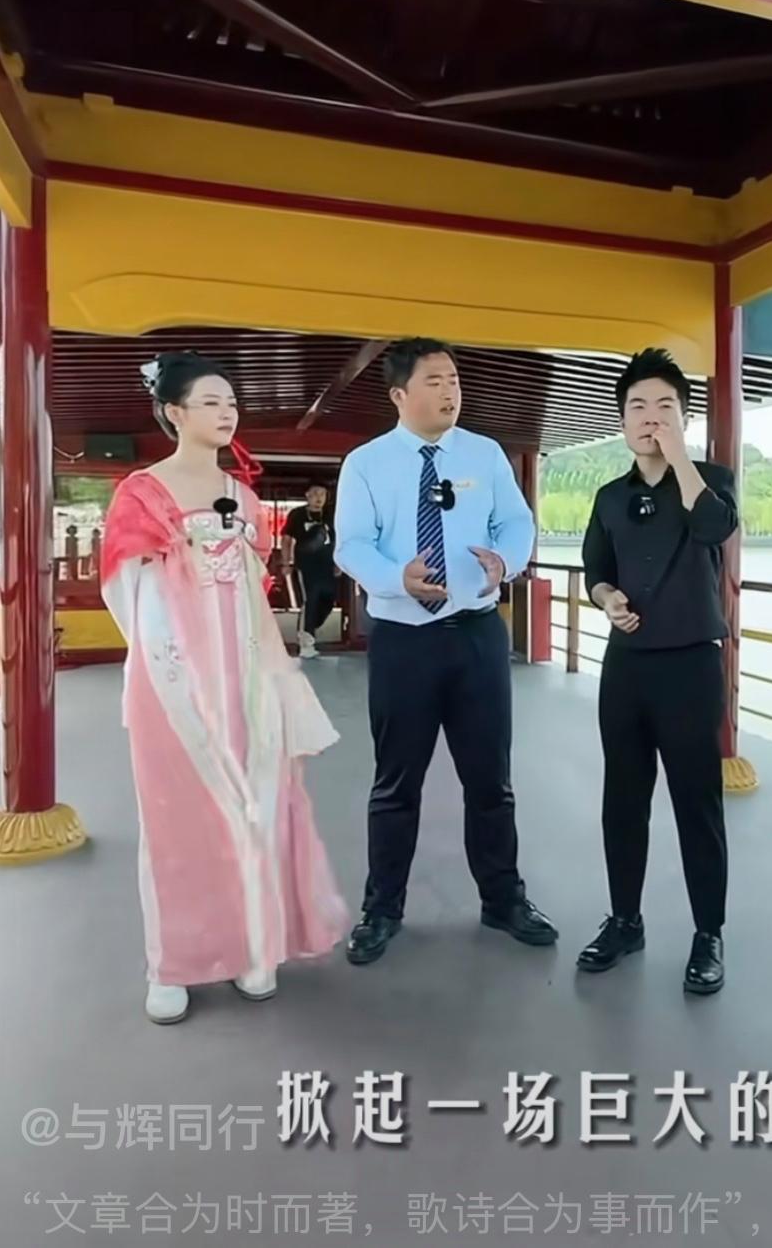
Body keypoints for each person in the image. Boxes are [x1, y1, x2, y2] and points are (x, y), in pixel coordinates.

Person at [101, 351, 349, 1026]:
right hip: (172, 675)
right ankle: (173, 963)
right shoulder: (141, 492)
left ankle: (252, 945)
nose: (226, 412)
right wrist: (168, 653)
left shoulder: (241, 496)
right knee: (175, 816)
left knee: (258, 804)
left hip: (245, 668)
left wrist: (275, 667)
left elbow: (253, 589)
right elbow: (123, 586)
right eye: (210, 401)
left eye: (231, 403)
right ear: (174, 412)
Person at [334, 338, 557, 963]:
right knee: (395, 784)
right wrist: (393, 578)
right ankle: (382, 909)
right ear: (399, 394)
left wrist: (506, 561)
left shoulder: (485, 454)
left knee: (491, 782)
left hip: (476, 634)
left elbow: (517, 522)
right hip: (403, 640)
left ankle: (503, 899)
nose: (449, 391)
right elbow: (351, 544)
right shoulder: (366, 463)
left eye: (454, 380)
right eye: (434, 381)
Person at [578, 348, 738, 997]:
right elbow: (595, 570)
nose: (650, 418)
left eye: (665, 407)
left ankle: (708, 934)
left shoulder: (712, 480)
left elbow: (716, 528)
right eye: (638, 407)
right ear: (621, 420)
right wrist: (606, 599)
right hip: (626, 668)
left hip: (691, 664)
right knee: (623, 799)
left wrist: (680, 460)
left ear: (684, 418)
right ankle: (625, 921)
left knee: (697, 803)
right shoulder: (610, 497)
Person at [282, 483, 337, 659]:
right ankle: (306, 641)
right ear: (307, 495)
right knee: (310, 601)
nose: (319, 497)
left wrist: (339, 563)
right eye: (315, 493)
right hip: (306, 566)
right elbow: (287, 539)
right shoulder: (297, 515)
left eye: (322, 494)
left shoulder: (331, 514)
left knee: (328, 600)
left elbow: (339, 539)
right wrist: (286, 562)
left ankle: (311, 628)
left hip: (327, 565)